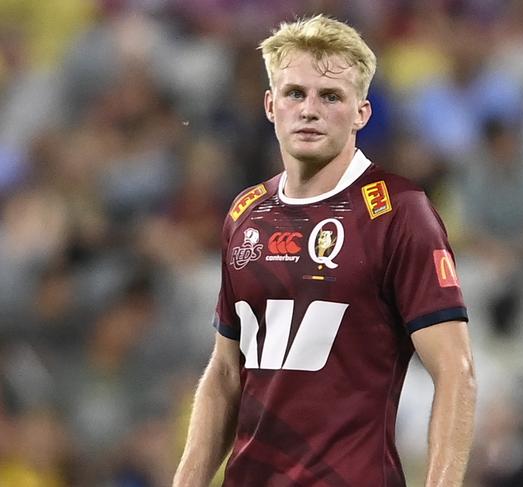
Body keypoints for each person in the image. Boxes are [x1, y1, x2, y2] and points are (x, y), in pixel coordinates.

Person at [173, 14, 476, 487]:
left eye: (330, 96)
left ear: (362, 112)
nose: (310, 110)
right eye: (296, 93)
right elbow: (226, 373)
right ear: (271, 105)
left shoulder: (399, 211)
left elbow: (456, 372)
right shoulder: (245, 214)